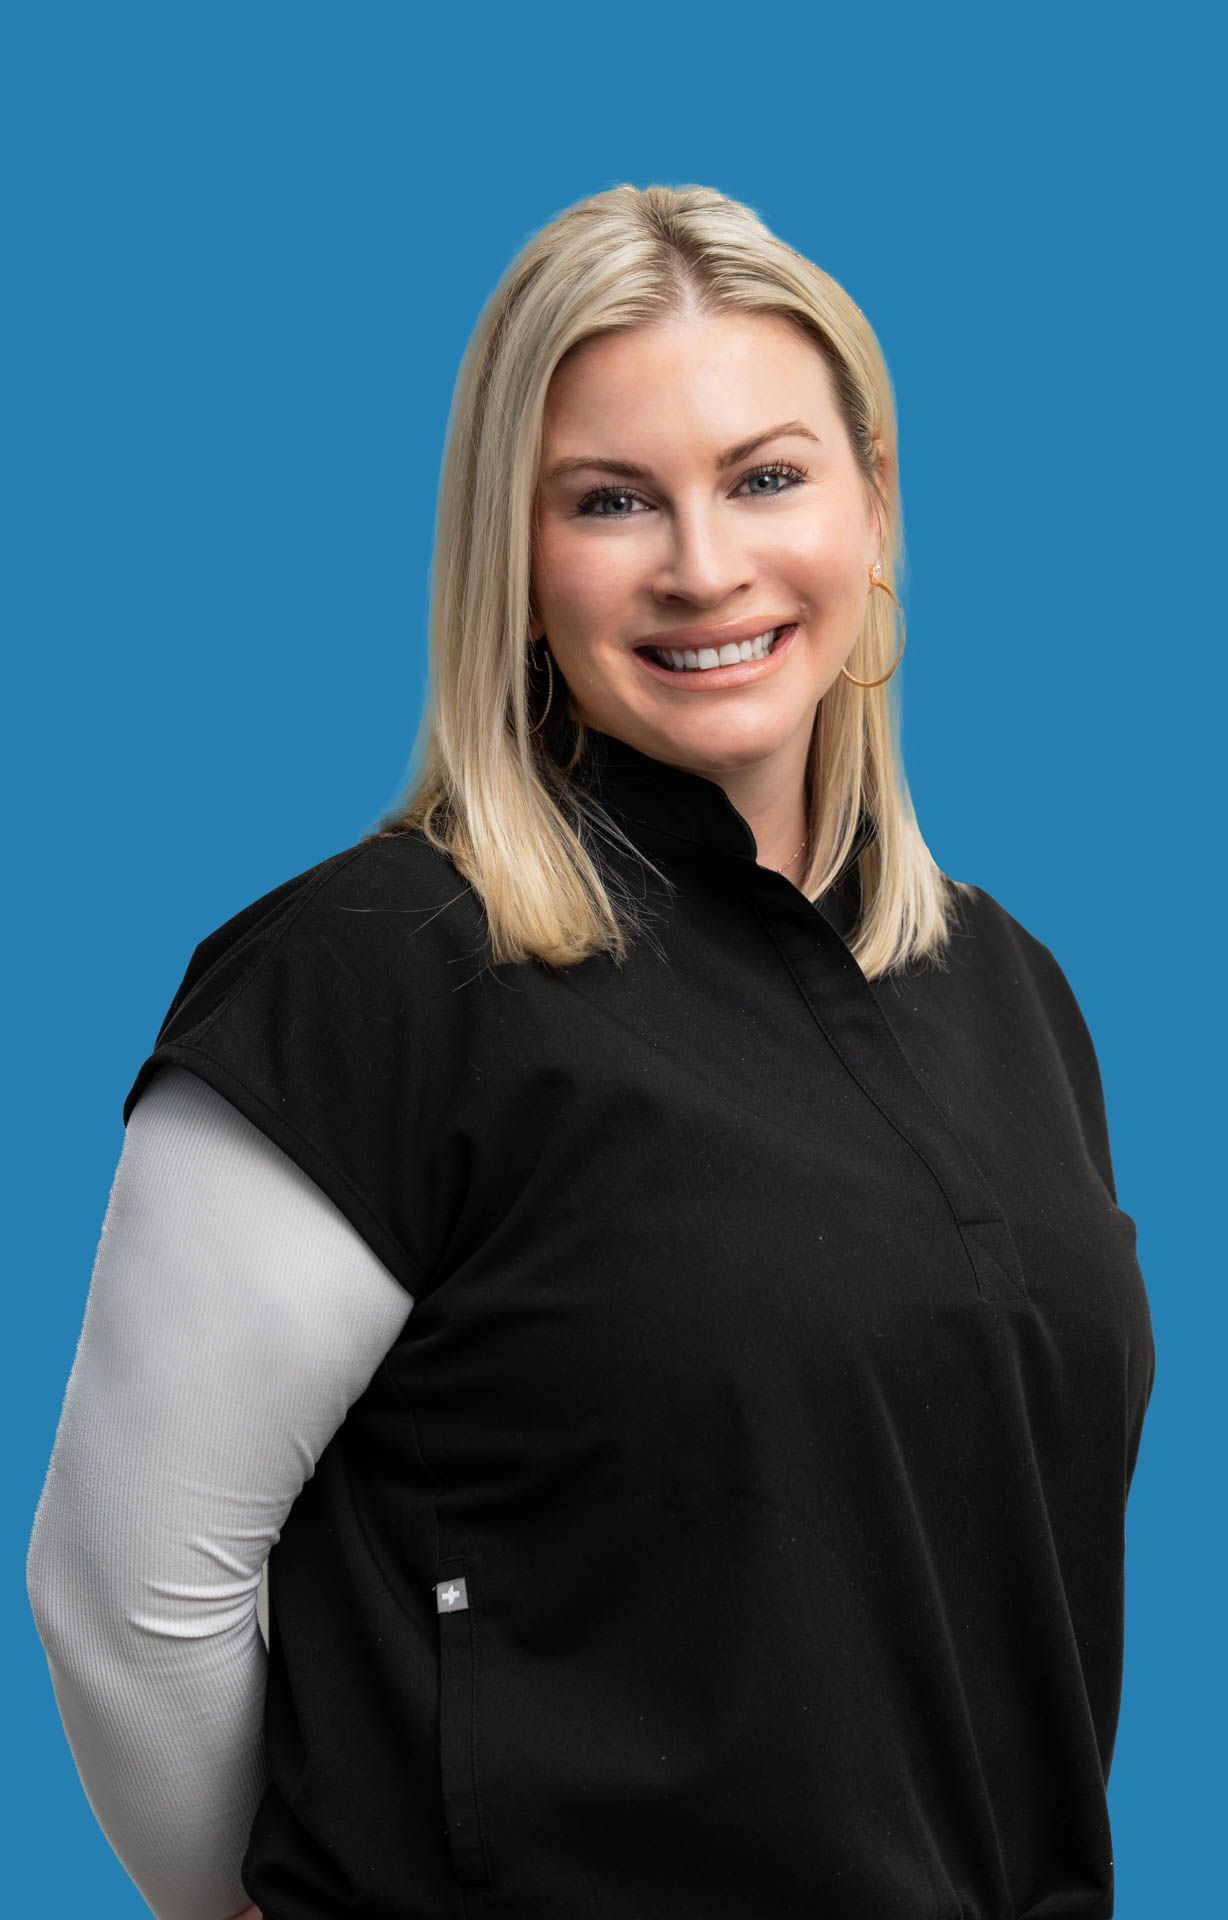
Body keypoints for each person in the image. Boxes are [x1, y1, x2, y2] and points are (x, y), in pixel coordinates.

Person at [26, 182, 1157, 1920]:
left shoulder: (1004, 988)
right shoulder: (370, 979)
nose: (704, 566)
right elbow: (124, 1603)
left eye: (767, 477)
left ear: (874, 507)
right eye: (612, 500)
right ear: (513, 556)